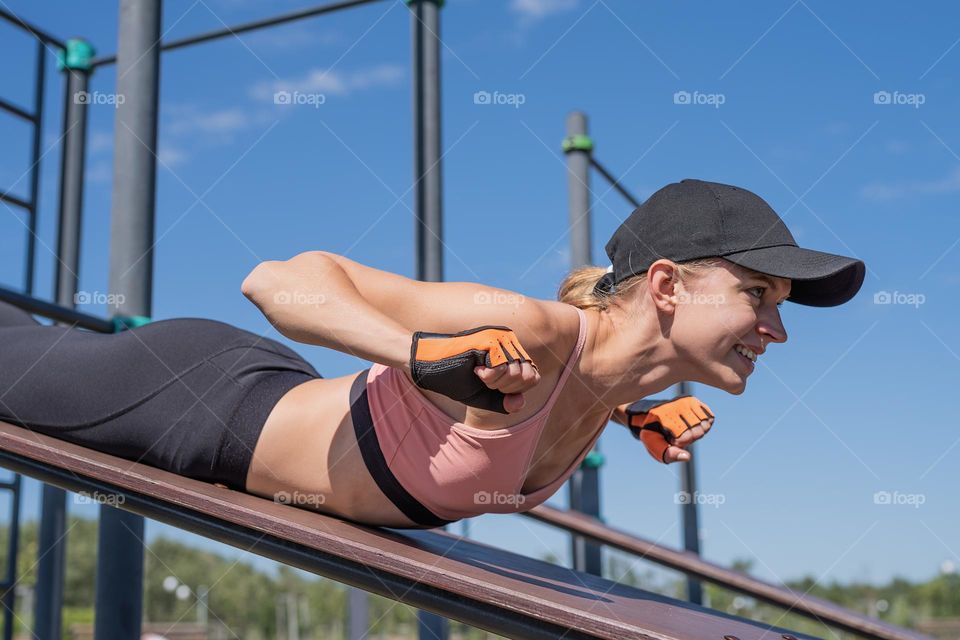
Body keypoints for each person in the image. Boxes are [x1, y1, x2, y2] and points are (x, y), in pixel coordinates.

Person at [0, 178, 865, 530]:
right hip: (188, 399)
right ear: (668, 286)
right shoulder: (525, 328)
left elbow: (547, 399)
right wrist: (420, 354)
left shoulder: (603, 385)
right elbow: (279, 280)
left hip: (267, 406)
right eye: (758, 297)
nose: (775, 331)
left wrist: (635, 418)